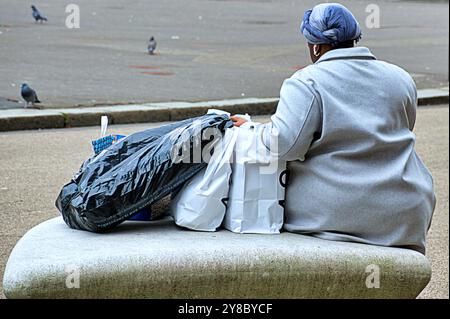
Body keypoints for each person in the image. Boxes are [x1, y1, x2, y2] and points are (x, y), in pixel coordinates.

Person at [231, 3, 435, 254]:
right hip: (407, 212)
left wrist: (253, 129)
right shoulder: (400, 77)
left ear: (315, 46)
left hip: (341, 213)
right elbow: (403, 127)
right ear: (354, 39)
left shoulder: (307, 82)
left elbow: (284, 145)